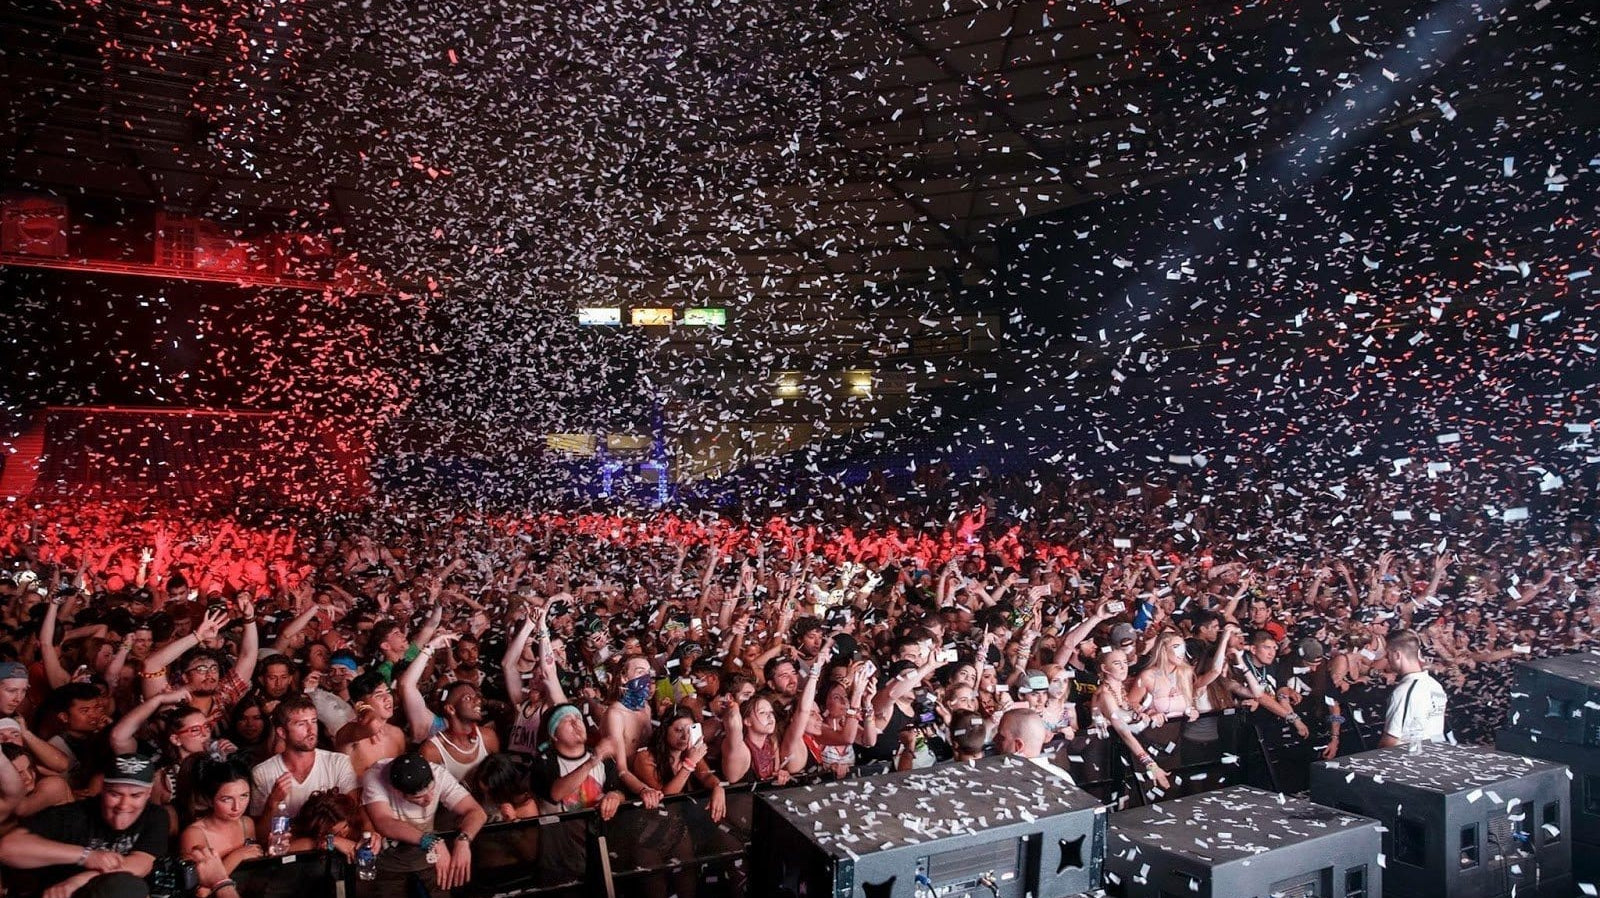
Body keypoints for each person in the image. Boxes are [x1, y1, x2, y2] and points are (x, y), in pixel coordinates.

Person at [0, 753, 168, 898]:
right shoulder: (74, 815)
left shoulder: (155, 816)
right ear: (103, 789)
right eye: (115, 794)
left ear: (148, 793)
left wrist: (79, 881)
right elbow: (8, 848)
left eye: (135, 795)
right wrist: (85, 856)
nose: (124, 805)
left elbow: (140, 864)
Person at [362, 750, 487, 897]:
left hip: (428, 857)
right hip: (388, 861)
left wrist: (463, 840)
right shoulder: (375, 776)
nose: (429, 799)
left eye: (432, 789)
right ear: (397, 792)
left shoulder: (438, 773)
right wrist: (432, 842)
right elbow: (385, 822)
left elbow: (477, 812)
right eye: (419, 797)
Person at [247, 696, 359, 842]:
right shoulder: (262, 773)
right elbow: (260, 837)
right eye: (301, 724)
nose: (311, 729)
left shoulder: (338, 763)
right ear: (282, 733)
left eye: (313, 721)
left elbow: (354, 818)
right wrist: (272, 803)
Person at [177, 758, 261, 876]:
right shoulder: (195, 834)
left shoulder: (246, 824)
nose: (237, 807)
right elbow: (201, 889)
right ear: (210, 800)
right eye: (226, 799)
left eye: (244, 796)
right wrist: (236, 856)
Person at [1379, 629, 1448, 747]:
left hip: (1408, 759)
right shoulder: (1435, 685)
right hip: (1434, 755)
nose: (1387, 660)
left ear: (1397, 655)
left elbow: (1390, 741)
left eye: (1388, 655)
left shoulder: (1403, 692)